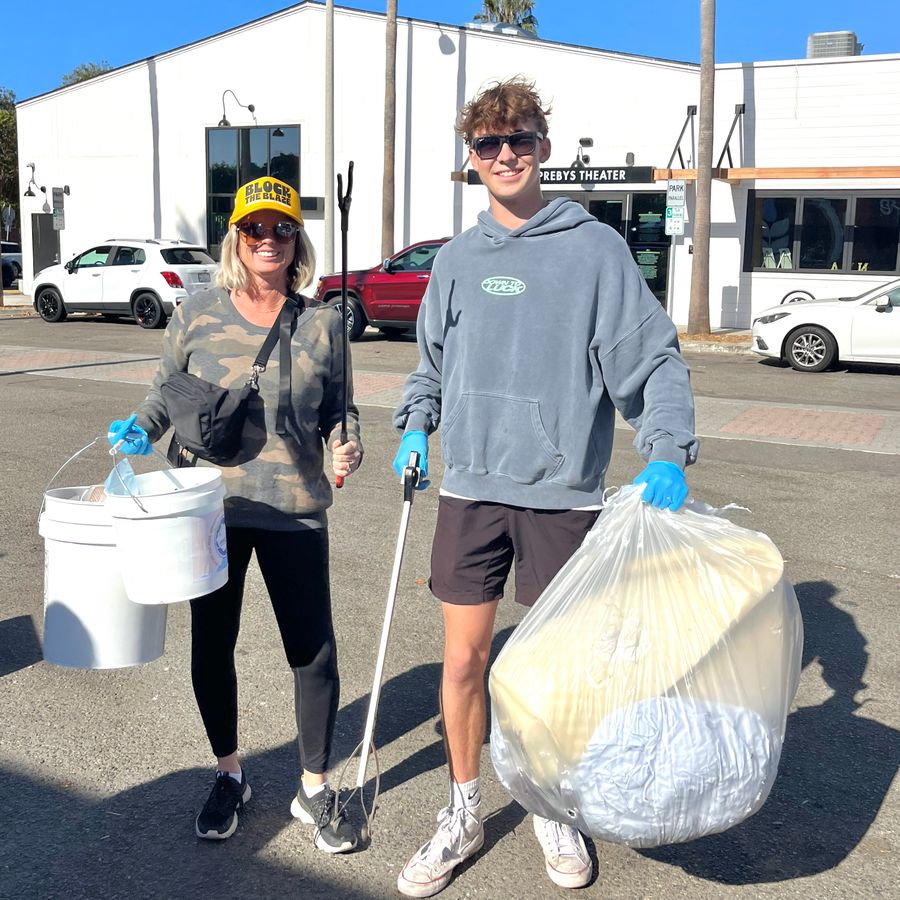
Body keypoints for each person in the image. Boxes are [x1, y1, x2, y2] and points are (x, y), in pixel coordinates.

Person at [391, 78, 698, 896]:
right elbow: (430, 366)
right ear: (472, 158)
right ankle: (461, 810)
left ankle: (549, 803)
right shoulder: (455, 261)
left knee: (556, 671)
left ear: (543, 149)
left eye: (518, 140)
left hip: (564, 494)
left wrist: (665, 446)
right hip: (472, 492)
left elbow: (652, 360)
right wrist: (417, 423)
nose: (504, 156)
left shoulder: (594, 250)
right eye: (488, 145)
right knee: (463, 662)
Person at [107, 175, 362, 852]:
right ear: (236, 238)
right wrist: (141, 428)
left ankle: (313, 787)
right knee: (212, 645)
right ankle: (229, 774)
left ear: (296, 238)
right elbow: (168, 389)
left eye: (281, 229)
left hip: (296, 509)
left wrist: (347, 442)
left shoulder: (322, 322)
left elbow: (341, 407)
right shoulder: (196, 311)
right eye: (255, 229)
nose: (268, 240)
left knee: (312, 652)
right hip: (206, 512)